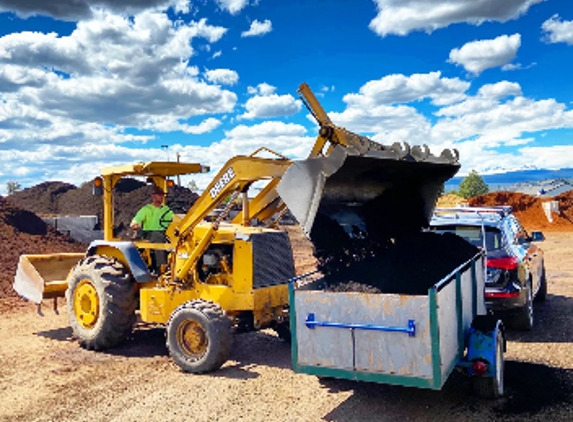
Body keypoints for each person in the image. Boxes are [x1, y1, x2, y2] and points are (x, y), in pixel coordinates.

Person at [130, 185, 174, 273]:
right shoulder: (146, 209)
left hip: (164, 233)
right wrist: (135, 224)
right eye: (159, 195)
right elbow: (137, 219)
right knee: (157, 236)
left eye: (162, 195)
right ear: (153, 196)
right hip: (148, 234)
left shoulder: (166, 210)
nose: (161, 197)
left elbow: (174, 219)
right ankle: (160, 267)